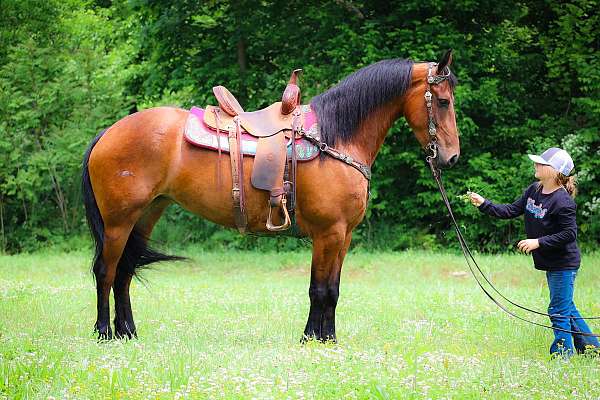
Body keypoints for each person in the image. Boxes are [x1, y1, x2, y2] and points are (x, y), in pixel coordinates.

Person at [468, 147, 599, 357]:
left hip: (563, 264)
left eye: (541, 163)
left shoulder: (563, 201)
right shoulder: (534, 190)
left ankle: (562, 356)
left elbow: (569, 234)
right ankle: (592, 349)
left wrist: (538, 242)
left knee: (558, 311)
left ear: (555, 171)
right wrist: (484, 204)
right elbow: (510, 210)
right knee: (566, 307)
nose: (536, 165)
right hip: (551, 262)